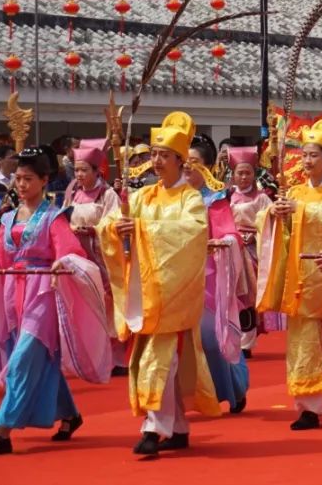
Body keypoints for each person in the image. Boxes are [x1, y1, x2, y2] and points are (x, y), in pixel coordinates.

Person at [98, 112, 220, 456]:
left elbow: (193, 235)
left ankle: (154, 429)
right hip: (147, 293)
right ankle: (178, 426)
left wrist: (141, 231)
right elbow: (112, 221)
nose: (156, 161)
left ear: (181, 162)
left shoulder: (190, 199)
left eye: (163, 155)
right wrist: (114, 228)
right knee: (164, 363)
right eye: (154, 154)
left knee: (158, 361)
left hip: (174, 296)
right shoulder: (143, 196)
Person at [0, 147, 111, 455]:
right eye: (18, 178)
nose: (22, 184)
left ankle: (2, 431)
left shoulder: (54, 218)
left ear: (44, 180)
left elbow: (72, 254)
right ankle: (68, 413)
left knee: (23, 359)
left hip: (43, 294)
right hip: (15, 294)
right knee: (41, 359)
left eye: (28, 179)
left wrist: (62, 264)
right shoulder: (7, 216)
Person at [256, 118, 322, 430]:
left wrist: (300, 211)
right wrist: (273, 214)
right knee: (302, 341)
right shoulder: (294, 191)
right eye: (305, 155)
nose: (308, 161)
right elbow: (274, 226)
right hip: (299, 275)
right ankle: (308, 407)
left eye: (314, 155)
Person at [185, 142, 249, 415]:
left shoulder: (214, 200)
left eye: (194, 160)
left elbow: (231, 235)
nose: (187, 165)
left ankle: (233, 388)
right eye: (184, 159)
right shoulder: (170, 198)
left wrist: (218, 243)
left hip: (209, 275)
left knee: (211, 337)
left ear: (208, 167)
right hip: (178, 275)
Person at [62, 138, 126, 375]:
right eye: (76, 170)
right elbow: (64, 218)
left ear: (96, 170)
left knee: (108, 304)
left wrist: (93, 230)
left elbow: (115, 223)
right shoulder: (73, 193)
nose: (79, 175)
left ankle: (116, 358)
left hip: (102, 256)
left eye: (83, 170)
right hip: (79, 254)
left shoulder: (107, 195)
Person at [227, 147, 271, 354]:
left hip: (253, 249)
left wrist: (255, 232)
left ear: (254, 174)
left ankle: (247, 342)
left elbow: (270, 219)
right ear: (233, 174)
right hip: (233, 248)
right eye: (239, 173)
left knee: (249, 295)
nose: (243, 177)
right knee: (234, 294)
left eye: (248, 173)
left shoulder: (261, 198)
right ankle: (235, 337)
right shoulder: (226, 196)